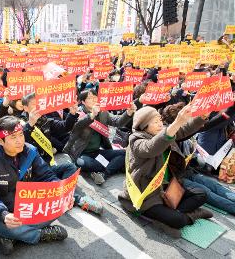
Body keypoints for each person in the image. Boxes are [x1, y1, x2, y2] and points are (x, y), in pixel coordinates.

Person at [0, 116, 68, 255]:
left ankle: (11, 236)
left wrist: (62, 194)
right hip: (6, 214)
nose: (20, 141)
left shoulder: (31, 151)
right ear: (1, 141)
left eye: (21, 135)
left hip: (29, 208)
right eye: (13, 137)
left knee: (60, 208)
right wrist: (3, 214)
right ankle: (39, 235)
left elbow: (47, 176)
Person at [118, 105, 213, 237]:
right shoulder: (136, 139)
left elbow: (183, 130)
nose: (160, 124)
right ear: (144, 126)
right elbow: (152, 147)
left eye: (160, 120)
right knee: (178, 221)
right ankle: (191, 214)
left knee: (201, 194)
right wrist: (177, 122)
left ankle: (171, 215)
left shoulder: (163, 131)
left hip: (165, 186)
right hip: (146, 194)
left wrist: (201, 117)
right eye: (155, 122)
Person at [64, 89, 136, 185]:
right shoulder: (77, 113)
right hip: (82, 153)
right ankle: (112, 167)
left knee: (124, 153)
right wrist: (92, 115)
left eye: (95, 97)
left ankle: (103, 174)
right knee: (84, 164)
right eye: (90, 98)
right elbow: (77, 126)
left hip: (98, 152)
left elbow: (117, 121)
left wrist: (128, 113)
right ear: (83, 102)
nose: (94, 100)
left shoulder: (103, 112)